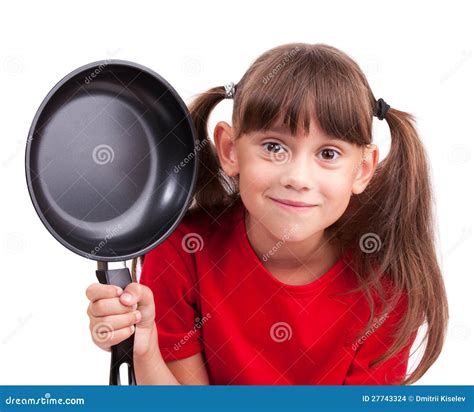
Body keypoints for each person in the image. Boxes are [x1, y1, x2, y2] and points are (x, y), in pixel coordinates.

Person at [85, 43, 448, 385]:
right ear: (229, 149)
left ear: (362, 169)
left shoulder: (387, 288)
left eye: (328, 154)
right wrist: (144, 350)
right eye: (274, 147)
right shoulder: (182, 251)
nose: (298, 178)